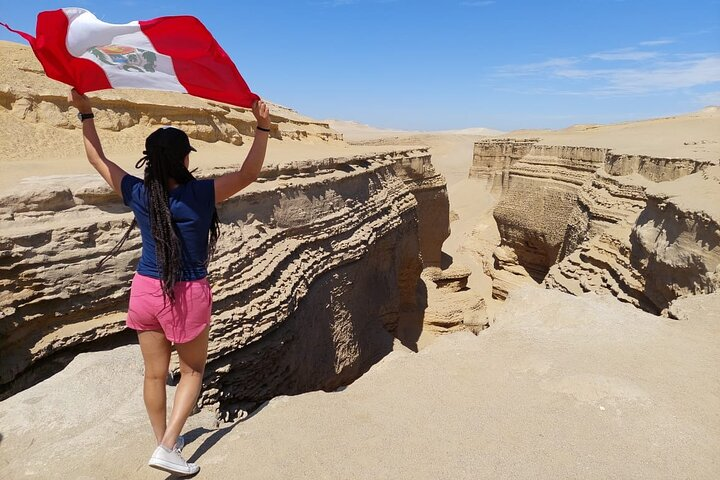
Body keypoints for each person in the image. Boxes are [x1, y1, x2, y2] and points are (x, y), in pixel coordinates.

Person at [69, 88, 271, 476]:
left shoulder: (139, 192)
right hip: (187, 292)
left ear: (150, 160)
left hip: (145, 289)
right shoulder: (201, 193)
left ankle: (166, 441)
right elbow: (249, 174)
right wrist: (261, 127)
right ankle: (167, 446)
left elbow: (97, 159)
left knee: (154, 375)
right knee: (192, 372)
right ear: (184, 157)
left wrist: (86, 114)